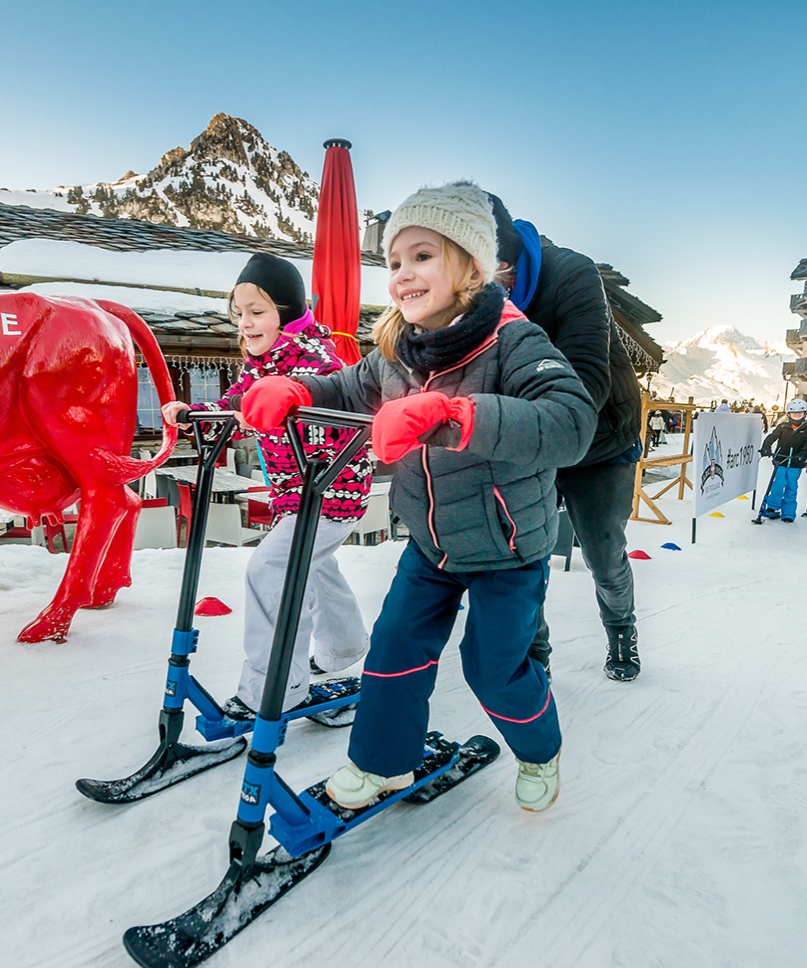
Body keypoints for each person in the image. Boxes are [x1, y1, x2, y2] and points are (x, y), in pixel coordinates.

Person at [239, 181, 595, 813]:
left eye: (423, 255)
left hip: (507, 548)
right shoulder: (398, 348)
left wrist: (455, 415)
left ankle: (541, 749)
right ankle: (382, 764)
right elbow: (348, 387)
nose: (404, 274)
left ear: (472, 265)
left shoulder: (516, 341)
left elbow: (569, 422)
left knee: (492, 669)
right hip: (430, 543)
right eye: (395, 262)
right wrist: (297, 388)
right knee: (395, 648)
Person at [162, 252, 373, 720]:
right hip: (294, 496)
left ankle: (279, 684)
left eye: (257, 312)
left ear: (289, 312)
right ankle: (344, 646)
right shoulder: (260, 360)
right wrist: (201, 410)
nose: (246, 324)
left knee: (270, 572)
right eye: (239, 314)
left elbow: (316, 391)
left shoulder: (313, 357)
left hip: (329, 493)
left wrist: (276, 403)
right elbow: (242, 396)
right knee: (312, 568)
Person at [490, 195, 645, 682]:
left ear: (510, 255)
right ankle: (534, 655)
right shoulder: (467, 294)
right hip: (528, 442)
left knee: (603, 550)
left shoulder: (571, 273)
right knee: (526, 554)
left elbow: (587, 380)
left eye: (492, 273)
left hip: (600, 437)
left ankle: (621, 628)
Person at [757, 400, 807, 522]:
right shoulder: (783, 426)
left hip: (796, 462)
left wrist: (803, 454)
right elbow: (771, 437)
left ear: (804, 414)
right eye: (794, 413)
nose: (796, 415)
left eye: (799, 413)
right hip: (781, 460)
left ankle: (788, 512)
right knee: (778, 484)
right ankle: (772, 507)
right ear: (788, 414)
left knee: (791, 486)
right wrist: (766, 448)